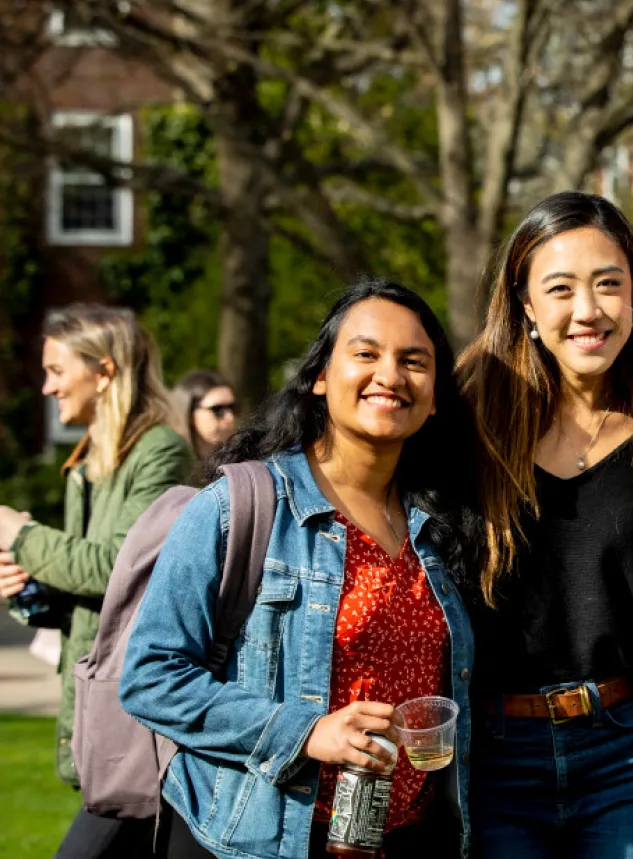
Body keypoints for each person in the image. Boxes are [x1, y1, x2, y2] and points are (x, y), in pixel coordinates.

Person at [119, 279, 479, 859]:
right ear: (319, 377)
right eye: (365, 353)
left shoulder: (440, 525)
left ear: (435, 395)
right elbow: (151, 676)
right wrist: (305, 732)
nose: (390, 374)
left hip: (401, 838)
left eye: (414, 361)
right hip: (256, 838)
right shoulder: (239, 507)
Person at [456, 190, 633, 858]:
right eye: (560, 288)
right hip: (498, 751)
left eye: (608, 285)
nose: (588, 310)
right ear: (526, 305)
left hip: (626, 750)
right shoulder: (471, 420)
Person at [0, 304, 191, 858]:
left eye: (58, 371)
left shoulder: (160, 451)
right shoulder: (86, 466)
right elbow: (90, 595)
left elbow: (116, 568)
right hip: (98, 709)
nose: (46, 388)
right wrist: (31, 590)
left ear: (105, 372)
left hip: (136, 715)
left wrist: (21, 536)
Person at [171, 369, 237, 465]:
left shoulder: (243, 463)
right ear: (189, 415)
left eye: (233, 408)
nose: (230, 418)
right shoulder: (171, 462)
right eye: (217, 409)